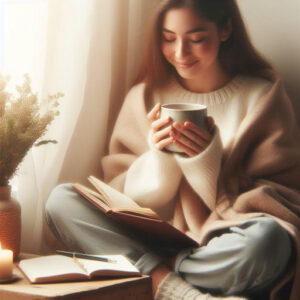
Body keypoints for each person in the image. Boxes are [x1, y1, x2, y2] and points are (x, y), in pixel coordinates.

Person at [46, 0, 300, 299]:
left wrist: (205, 160)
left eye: (196, 39)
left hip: (219, 245)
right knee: (61, 200)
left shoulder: (262, 97)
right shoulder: (144, 96)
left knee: (269, 240)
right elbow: (121, 197)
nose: (180, 53)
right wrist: (159, 157)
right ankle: (176, 286)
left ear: (225, 30)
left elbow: (279, 197)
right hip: (148, 237)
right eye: (168, 38)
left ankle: (158, 278)